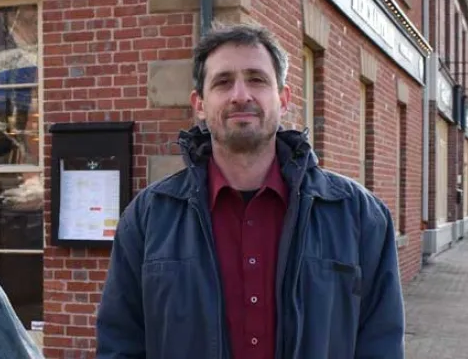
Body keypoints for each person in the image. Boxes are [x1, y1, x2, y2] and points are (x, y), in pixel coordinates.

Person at [95, 23, 404, 358]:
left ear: (283, 99)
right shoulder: (147, 218)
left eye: (257, 79)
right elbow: (120, 345)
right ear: (200, 104)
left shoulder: (358, 215)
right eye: (223, 82)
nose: (241, 95)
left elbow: (381, 345)